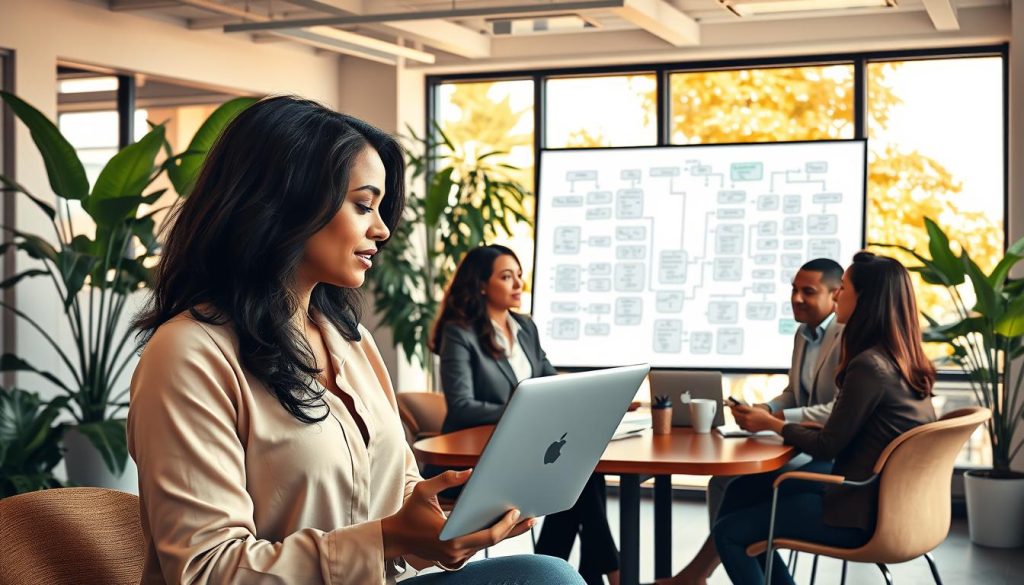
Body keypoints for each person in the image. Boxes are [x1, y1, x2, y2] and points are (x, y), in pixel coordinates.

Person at [127, 96, 584, 585]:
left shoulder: (350, 340)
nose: (382, 229)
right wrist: (388, 538)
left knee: (544, 572)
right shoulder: (188, 354)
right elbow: (206, 572)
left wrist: (446, 521)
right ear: (284, 202)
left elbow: (398, 488)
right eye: (363, 205)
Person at [712, 251, 937, 585]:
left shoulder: (868, 366)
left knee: (729, 532)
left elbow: (827, 446)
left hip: (858, 512)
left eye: (843, 289)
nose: (837, 296)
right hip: (897, 507)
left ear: (865, 300)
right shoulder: (902, 359)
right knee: (742, 493)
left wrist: (774, 424)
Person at [430, 244, 620, 585]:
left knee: (581, 475)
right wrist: (523, 412)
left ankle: (566, 571)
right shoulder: (460, 332)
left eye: (519, 276)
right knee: (581, 479)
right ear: (482, 285)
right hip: (473, 461)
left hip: (527, 451)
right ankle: (610, 572)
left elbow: (549, 381)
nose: (518, 284)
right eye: (507, 276)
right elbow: (461, 405)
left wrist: (585, 400)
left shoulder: (524, 327)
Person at [656, 258, 846, 585]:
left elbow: (836, 409)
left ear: (835, 295)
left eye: (808, 291)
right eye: (793, 289)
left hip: (826, 452)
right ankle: (698, 574)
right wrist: (767, 407)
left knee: (739, 497)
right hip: (803, 440)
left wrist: (774, 419)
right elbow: (793, 392)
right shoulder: (803, 334)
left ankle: (696, 574)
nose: (796, 298)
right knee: (725, 484)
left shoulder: (846, 336)